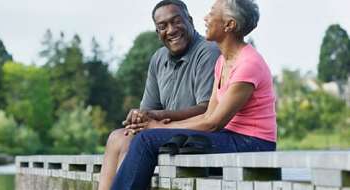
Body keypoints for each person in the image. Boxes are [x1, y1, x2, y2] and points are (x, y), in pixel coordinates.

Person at [111, 0, 277, 189]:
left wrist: (156, 127)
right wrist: (161, 125)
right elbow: (207, 116)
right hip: (229, 137)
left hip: (252, 143)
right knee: (158, 139)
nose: (205, 18)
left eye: (212, 13)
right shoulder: (223, 61)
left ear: (229, 24)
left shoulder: (248, 64)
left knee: (146, 140)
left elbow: (213, 123)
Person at [97, 0, 221, 189]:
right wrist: (139, 117)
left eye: (176, 21)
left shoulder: (208, 51)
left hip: (194, 135)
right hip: (165, 130)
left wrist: (160, 117)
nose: (170, 30)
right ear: (157, 33)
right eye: (162, 26)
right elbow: (149, 110)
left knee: (132, 142)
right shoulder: (158, 58)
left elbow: (207, 110)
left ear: (190, 20)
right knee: (117, 136)